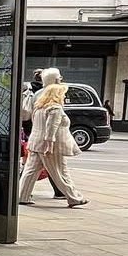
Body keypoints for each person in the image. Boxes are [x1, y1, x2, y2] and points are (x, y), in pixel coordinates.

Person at [18, 67, 87, 207]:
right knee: (60, 171)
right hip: (49, 146)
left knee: (30, 170)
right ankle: (73, 197)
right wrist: (49, 143)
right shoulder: (55, 108)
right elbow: (51, 128)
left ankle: (22, 196)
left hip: (35, 142)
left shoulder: (39, 105)